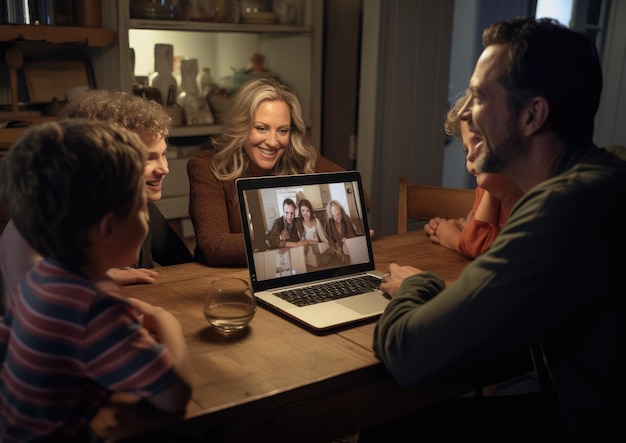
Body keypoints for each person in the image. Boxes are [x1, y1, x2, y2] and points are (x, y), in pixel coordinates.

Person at [373, 17, 626, 442]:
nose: (466, 113)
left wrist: (415, 288)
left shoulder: (563, 208)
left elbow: (407, 353)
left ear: (532, 115)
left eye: (479, 97)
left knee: (395, 424)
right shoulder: (605, 174)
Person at [0, 119, 193, 442]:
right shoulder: (98, 307)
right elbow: (174, 395)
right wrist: (166, 320)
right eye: (141, 209)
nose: (148, 218)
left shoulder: (38, 278)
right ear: (109, 227)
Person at [0, 90, 193, 314]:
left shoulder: (134, 206)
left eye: (163, 154)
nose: (165, 169)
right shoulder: (40, 228)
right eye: (147, 158)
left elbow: (184, 265)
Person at [187, 77, 353, 266]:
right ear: (241, 126)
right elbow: (215, 245)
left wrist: (330, 232)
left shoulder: (297, 158)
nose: (273, 142)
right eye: (261, 128)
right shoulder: (205, 167)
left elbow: (361, 197)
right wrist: (287, 242)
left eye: (282, 131)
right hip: (223, 281)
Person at [424, 90, 523, 258]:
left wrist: (452, 238)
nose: (470, 159)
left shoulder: (527, 195)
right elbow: (478, 240)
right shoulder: (488, 190)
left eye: (479, 142)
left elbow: (477, 247)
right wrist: (465, 231)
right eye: (466, 150)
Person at [296, 198, 332, 267]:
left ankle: (318, 261)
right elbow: (302, 242)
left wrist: (328, 243)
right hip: (307, 252)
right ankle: (316, 261)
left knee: (322, 247)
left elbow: (323, 237)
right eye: (303, 211)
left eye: (307, 211)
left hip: (317, 249)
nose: (305, 213)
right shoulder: (300, 224)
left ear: (310, 211)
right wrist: (310, 243)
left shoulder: (316, 221)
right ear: (300, 212)